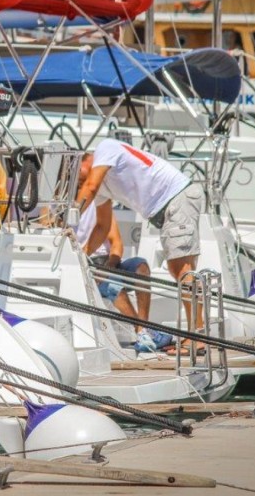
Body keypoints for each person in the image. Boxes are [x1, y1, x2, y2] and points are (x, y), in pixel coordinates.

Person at [77, 138, 205, 354]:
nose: (78, 182)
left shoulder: (104, 148)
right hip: (172, 204)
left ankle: (198, 338)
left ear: (86, 160)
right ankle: (197, 336)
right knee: (180, 271)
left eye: (77, 174)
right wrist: (79, 255)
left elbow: (90, 187)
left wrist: (67, 217)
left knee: (181, 270)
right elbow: (102, 226)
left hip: (175, 197)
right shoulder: (102, 187)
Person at [76, 154, 170, 353]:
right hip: (84, 263)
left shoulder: (100, 204)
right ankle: (142, 331)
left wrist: (112, 263)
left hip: (106, 262)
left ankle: (143, 328)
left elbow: (116, 243)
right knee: (111, 281)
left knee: (141, 266)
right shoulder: (63, 207)